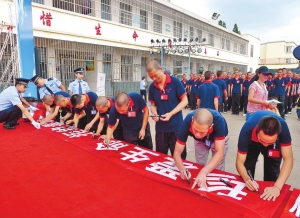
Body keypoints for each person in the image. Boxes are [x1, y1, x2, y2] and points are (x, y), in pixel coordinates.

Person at [236, 110, 293, 201]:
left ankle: (270, 194)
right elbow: (239, 162)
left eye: (269, 142)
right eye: (263, 141)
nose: (265, 145)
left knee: (272, 172)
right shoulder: (247, 130)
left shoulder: (283, 127)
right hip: (253, 144)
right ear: (257, 130)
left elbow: (289, 159)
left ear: (278, 134)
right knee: (248, 169)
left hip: (274, 147)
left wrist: (277, 187)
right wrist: (246, 179)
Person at [174, 108, 229, 189]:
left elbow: (219, 152)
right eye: (195, 130)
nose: (198, 135)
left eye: (202, 132)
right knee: (199, 165)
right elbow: (177, 152)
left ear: (211, 126)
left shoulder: (219, 121)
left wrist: (204, 171)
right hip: (200, 142)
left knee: (217, 168)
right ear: (192, 121)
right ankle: (200, 184)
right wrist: (182, 169)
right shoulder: (187, 121)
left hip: (219, 140)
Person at [147, 60, 188, 159]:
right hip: (161, 129)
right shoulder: (152, 87)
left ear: (160, 69)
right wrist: (154, 113)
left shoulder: (175, 82)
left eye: (156, 75)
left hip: (176, 127)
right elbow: (153, 104)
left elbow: (185, 101)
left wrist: (171, 114)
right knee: (161, 157)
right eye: (151, 77)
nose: (154, 78)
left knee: (180, 157)